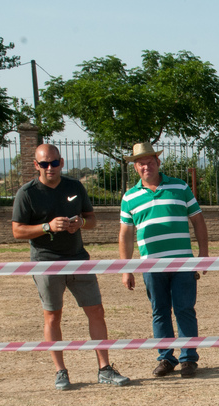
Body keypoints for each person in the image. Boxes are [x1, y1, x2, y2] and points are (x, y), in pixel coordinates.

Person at [11, 144, 130, 391]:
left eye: (54, 162)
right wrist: (47, 227)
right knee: (53, 315)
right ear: (36, 165)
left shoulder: (74, 186)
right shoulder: (27, 193)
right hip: (45, 261)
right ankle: (60, 372)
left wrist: (81, 223)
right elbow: (17, 231)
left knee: (96, 311)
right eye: (44, 164)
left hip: (78, 258)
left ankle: (105, 369)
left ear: (61, 162)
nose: (50, 168)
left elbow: (93, 220)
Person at [118, 143, 209, 378]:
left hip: (183, 264)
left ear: (158, 162)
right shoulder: (130, 197)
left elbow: (198, 220)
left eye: (149, 161)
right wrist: (126, 269)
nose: (145, 166)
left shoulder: (179, 187)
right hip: (150, 265)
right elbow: (126, 235)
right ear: (135, 167)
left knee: (185, 309)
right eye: (140, 163)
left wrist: (204, 255)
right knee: (159, 311)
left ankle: (189, 359)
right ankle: (166, 358)